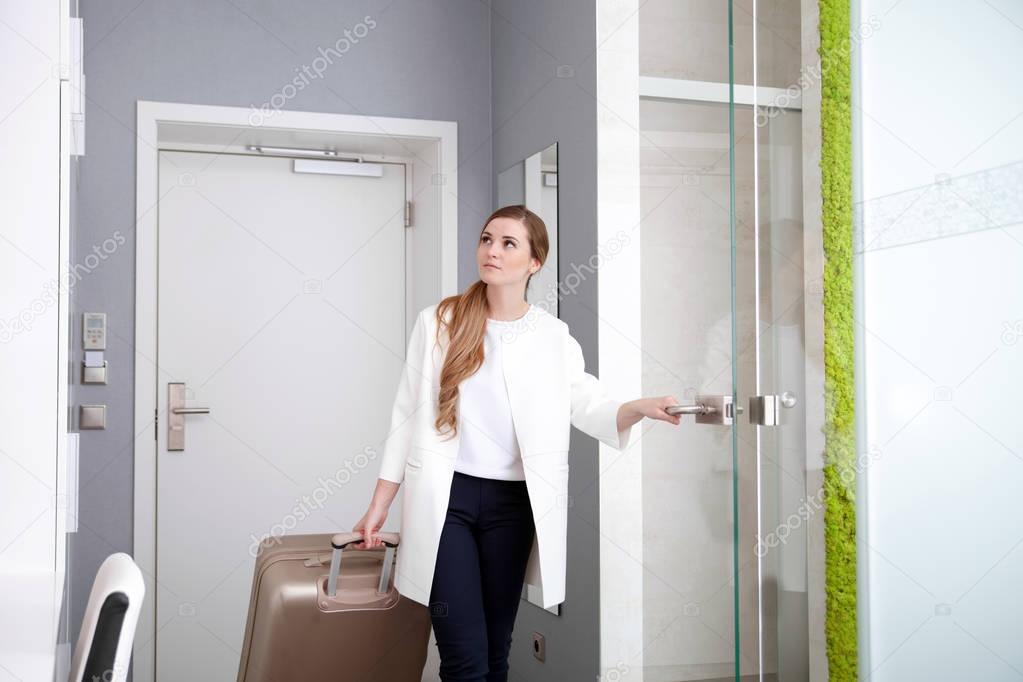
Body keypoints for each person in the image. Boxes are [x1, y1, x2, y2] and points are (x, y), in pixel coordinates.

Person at [353, 205, 681, 682]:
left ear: (534, 262)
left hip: (514, 506)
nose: (492, 251)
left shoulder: (552, 336)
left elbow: (587, 402)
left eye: (509, 243)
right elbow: (406, 414)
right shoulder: (439, 321)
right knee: (464, 658)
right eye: (487, 239)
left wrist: (637, 407)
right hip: (447, 503)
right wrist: (379, 504)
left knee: (495, 652)